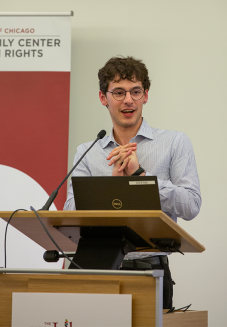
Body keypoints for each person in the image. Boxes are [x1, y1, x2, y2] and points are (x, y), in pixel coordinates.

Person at [64, 56, 202, 309]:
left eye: (135, 91)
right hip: (96, 270)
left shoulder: (175, 143)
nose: (128, 100)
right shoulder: (87, 151)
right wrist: (112, 188)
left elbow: (191, 206)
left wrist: (140, 177)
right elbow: (71, 212)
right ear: (103, 98)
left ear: (146, 95)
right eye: (118, 92)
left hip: (150, 270)